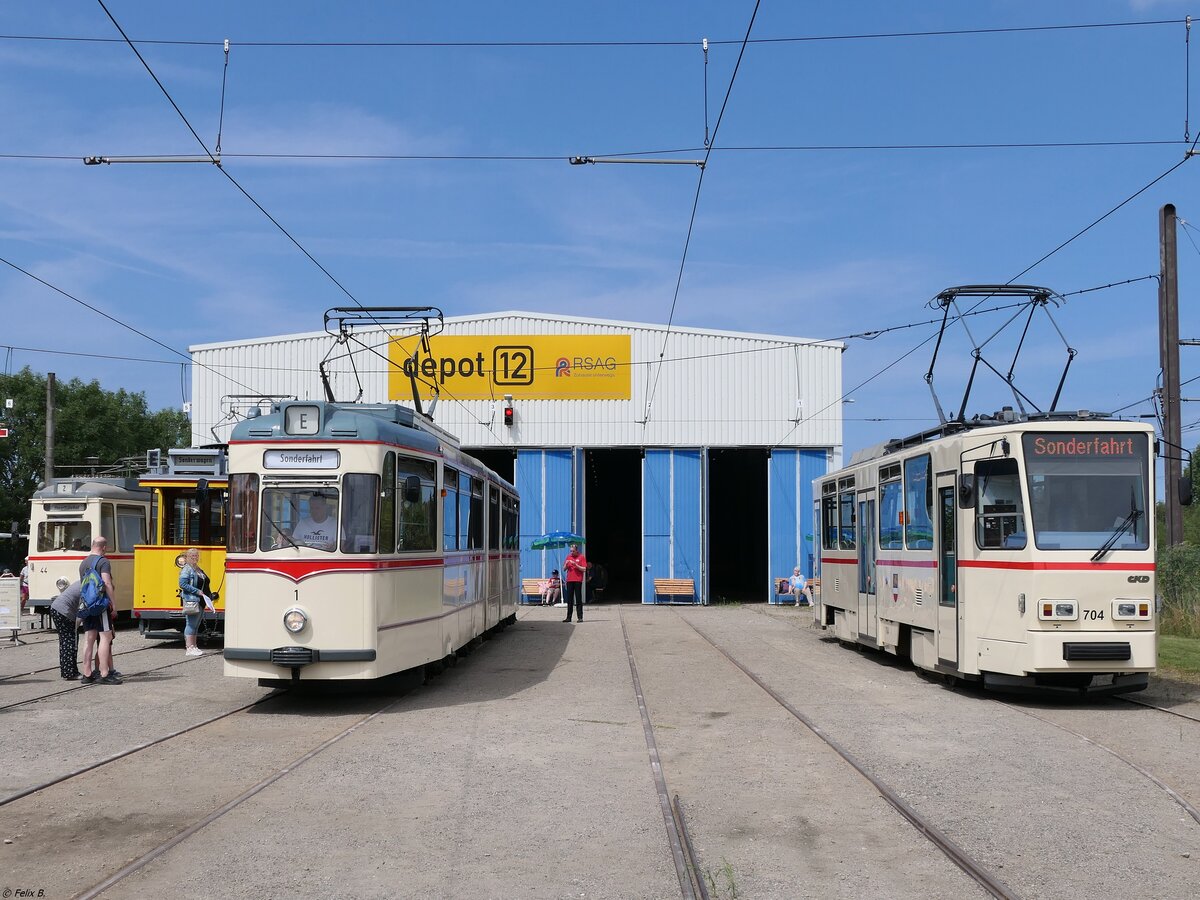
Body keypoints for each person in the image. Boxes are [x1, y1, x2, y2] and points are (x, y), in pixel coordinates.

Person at [79, 536, 120, 685]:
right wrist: (113, 605)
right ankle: (104, 673)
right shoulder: (103, 562)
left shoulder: (83, 562)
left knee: (89, 638)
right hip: (100, 605)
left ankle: (87, 673)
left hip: (86, 605)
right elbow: (107, 582)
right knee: (105, 637)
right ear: (104, 547)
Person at [179, 547, 216, 657]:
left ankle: (194, 646)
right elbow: (182, 584)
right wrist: (197, 591)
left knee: (196, 624)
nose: (195, 557)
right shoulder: (187, 569)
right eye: (192, 556)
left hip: (200, 600)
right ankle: (189, 648)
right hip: (192, 599)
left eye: (196, 555)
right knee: (191, 623)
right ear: (187, 557)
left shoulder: (197, 569)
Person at [49, 578, 82, 680]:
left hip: (56, 608)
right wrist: (76, 627)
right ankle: (70, 673)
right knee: (70, 641)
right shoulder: (88, 586)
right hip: (64, 612)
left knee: (65, 642)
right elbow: (82, 609)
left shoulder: (82, 581)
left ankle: (66, 671)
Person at [562, 543, 587, 622]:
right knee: (570, 599)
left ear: (577, 550)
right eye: (570, 551)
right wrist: (566, 564)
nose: (571, 553)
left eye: (573, 551)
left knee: (578, 599)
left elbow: (584, 569)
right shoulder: (568, 557)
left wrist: (576, 565)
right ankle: (569, 617)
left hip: (577, 580)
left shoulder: (581, 557)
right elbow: (564, 569)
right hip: (570, 580)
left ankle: (580, 617)